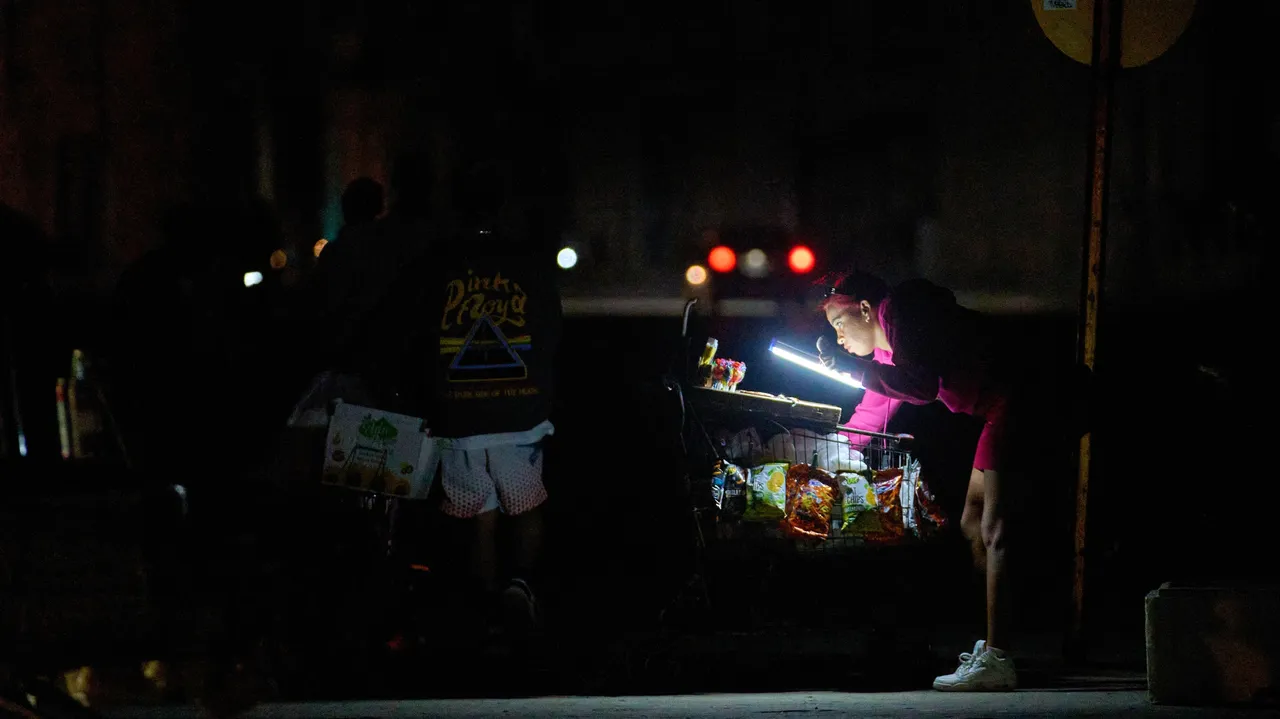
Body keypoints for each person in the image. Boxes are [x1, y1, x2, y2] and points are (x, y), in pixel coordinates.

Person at [815, 269, 1027, 692]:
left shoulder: (902, 313)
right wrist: (832, 453)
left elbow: (923, 386)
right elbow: (874, 415)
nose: (839, 339)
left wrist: (852, 369)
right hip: (994, 411)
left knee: (994, 529)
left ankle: (1000, 658)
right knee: (971, 522)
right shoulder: (885, 356)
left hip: (1020, 398)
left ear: (865, 309)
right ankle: (994, 645)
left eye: (840, 325)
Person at [389, 157, 561, 641]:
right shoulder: (527, 261)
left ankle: (487, 611)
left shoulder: (435, 262)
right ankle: (521, 589)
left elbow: (414, 332)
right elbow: (551, 327)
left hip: (458, 414)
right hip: (520, 412)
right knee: (525, 507)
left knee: (479, 515)